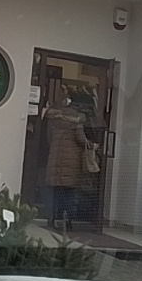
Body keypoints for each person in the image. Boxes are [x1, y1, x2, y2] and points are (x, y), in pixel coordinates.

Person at [43, 97, 91, 229]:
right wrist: (92, 145)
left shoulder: (53, 119)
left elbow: (49, 139)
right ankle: (67, 220)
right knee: (69, 192)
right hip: (71, 160)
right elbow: (81, 139)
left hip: (55, 157)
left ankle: (52, 218)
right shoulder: (76, 120)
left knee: (56, 191)